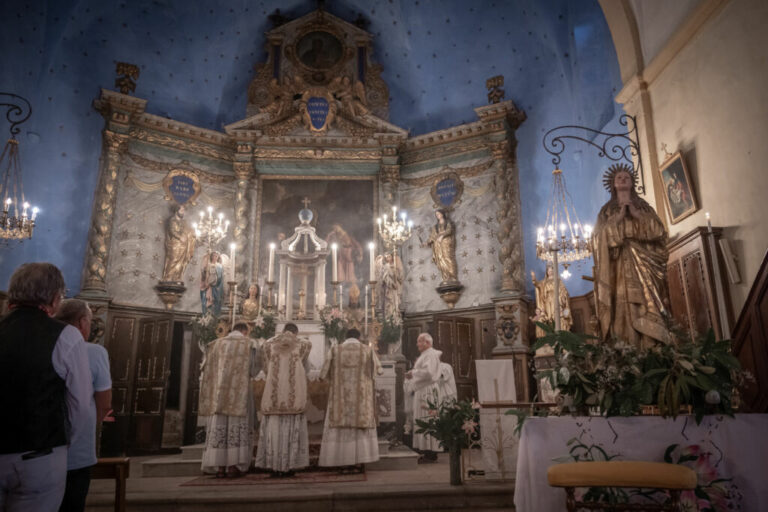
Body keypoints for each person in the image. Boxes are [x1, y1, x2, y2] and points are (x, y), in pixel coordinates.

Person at [0, 263, 93, 511]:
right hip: (39, 455)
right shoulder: (66, 336)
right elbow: (81, 405)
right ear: (54, 298)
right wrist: (61, 443)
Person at [593, 163, 670, 348]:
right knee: (622, 303)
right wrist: (617, 218)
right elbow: (597, 238)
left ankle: (650, 344)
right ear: (613, 184)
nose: (623, 179)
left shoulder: (644, 207)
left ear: (632, 182)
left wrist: (637, 215)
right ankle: (626, 347)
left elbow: (659, 231)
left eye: (626, 177)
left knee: (646, 300)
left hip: (644, 263)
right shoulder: (606, 210)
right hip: (618, 266)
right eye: (619, 177)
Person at [54, 299, 112, 512]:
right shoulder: (95, 352)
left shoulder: (43, 343)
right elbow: (104, 402)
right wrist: (86, 423)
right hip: (77, 451)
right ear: (81, 323)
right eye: (89, 321)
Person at [198, 320, 261, 478]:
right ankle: (233, 466)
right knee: (235, 429)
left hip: (219, 396)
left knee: (220, 428)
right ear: (245, 332)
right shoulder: (249, 344)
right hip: (239, 396)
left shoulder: (216, 344)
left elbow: (207, 369)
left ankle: (220, 468)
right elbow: (254, 370)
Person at [319, 328, 383, 470]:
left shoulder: (335, 350)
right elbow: (378, 370)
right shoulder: (367, 350)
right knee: (359, 427)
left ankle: (342, 462)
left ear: (345, 337)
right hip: (361, 399)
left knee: (341, 429)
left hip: (340, 399)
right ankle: (360, 462)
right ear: (359, 337)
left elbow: (323, 374)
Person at [254, 323, 312, 476]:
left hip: (274, 394)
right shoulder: (304, 344)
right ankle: (289, 466)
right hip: (293, 398)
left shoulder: (267, 345)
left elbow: (266, 369)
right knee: (291, 430)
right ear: (296, 332)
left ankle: (274, 466)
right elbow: (305, 367)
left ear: (282, 330)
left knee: (274, 431)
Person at [403, 333, 457, 463]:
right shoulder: (427, 354)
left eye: (419, 342)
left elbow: (429, 373)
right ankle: (426, 451)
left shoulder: (430, 354)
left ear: (427, 342)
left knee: (427, 420)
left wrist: (412, 373)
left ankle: (431, 453)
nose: (417, 344)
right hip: (423, 390)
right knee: (422, 419)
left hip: (427, 391)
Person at [531, 264, 572, 337]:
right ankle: (551, 334)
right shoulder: (544, 281)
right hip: (547, 301)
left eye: (551, 270)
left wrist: (563, 295)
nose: (550, 272)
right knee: (549, 316)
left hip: (556, 299)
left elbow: (564, 291)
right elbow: (537, 285)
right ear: (547, 272)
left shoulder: (558, 280)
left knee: (557, 315)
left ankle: (559, 332)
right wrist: (534, 278)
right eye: (549, 271)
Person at [162, 205, 196, 283]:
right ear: (176, 210)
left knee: (181, 261)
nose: (183, 211)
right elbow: (172, 230)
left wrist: (193, 234)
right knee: (174, 259)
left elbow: (189, 231)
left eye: (184, 210)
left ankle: (177, 277)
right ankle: (168, 277)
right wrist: (180, 237)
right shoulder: (172, 220)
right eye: (181, 210)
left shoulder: (184, 222)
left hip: (184, 245)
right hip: (175, 244)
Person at [426, 209, 459, 284]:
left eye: (438, 214)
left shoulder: (448, 223)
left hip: (446, 243)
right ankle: (446, 278)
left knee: (448, 258)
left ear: (442, 214)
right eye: (436, 215)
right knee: (441, 260)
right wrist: (427, 242)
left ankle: (453, 277)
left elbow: (449, 230)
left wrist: (442, 235)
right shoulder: (436, 227)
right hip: (438, 245)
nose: (437, 216)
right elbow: (432, 236)